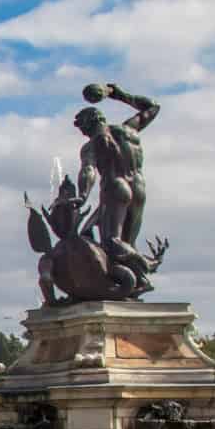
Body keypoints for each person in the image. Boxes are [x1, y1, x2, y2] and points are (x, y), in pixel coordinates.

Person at [75, 82, 160, 289]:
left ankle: (144, 264)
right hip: (138, 187)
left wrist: (82, 195)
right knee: (125, 244)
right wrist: (120, 94)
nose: (84, 133)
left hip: (115, 187)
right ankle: (139, 280)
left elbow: (88, 171)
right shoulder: (129, 130)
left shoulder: (92, 145)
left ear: (89, 123)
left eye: (83, 128)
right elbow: (153, 107)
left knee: (112, 241)